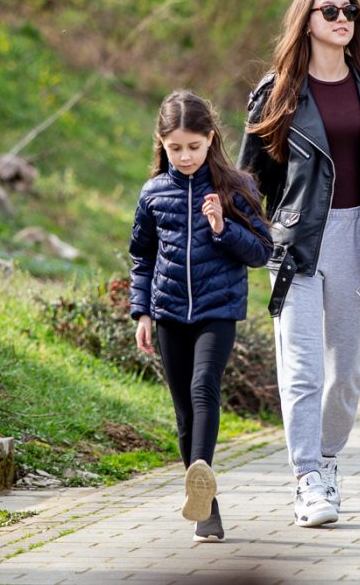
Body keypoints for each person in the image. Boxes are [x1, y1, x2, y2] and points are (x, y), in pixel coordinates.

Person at [238, 0, 360, 528]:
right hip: (296, 244)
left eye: (349, 10)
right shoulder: (277, 92)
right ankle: (307, 478)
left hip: (356, 239)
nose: (342, 18)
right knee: (303, 372)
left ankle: (325, 460)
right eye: (329, 11)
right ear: (306, 21)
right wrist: (240, 237)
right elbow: (250, 180)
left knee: (345, 376)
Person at [129, 90, 272, 543]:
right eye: (175, 148)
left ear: (211, 138)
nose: (186, 156)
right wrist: (142, 312)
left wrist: (222, 228)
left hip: (217, 310)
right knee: (184, 416)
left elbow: (261, 251)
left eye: (194, 146)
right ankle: (206, 508)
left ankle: (201, 485)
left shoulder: (237, 187)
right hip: (169, 312)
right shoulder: (153, 194)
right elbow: (142, 258)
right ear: (162, 143)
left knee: (203, 387)